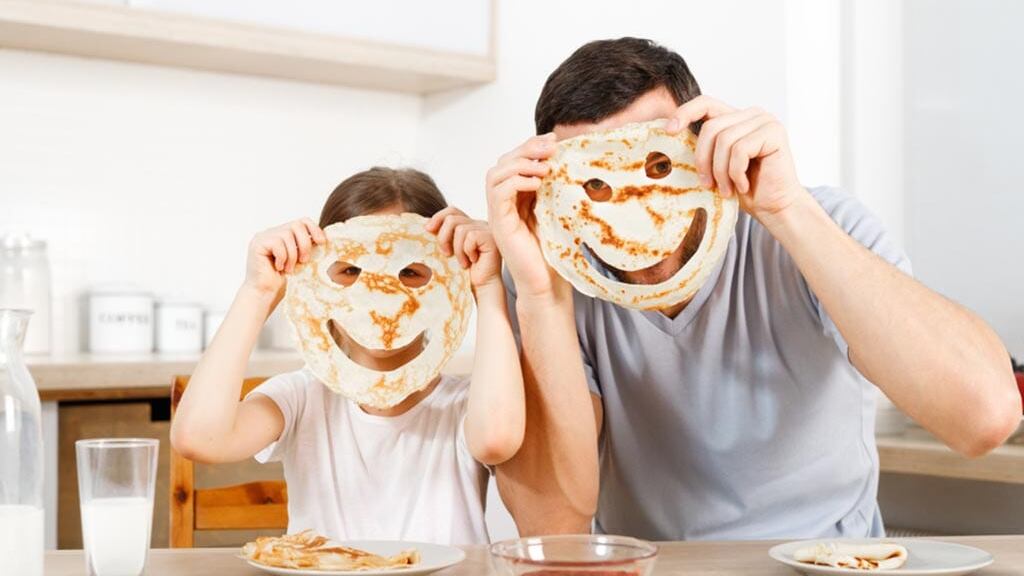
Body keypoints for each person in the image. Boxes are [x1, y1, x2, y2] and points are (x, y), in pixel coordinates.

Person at [487, 38, 1022, 540]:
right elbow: (552, 528)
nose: (632, 207)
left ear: (699, 146)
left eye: (655, 164)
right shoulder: (548, 274)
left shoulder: (821, 223)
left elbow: (984, 418)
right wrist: (539, 296)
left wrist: (787, 210)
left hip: (825, 562)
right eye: (597, 181)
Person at [171, 167, 525, 545]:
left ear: (446, 280)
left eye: (410, 271)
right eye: (351, 270)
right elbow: (198, 438)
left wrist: (488, 286)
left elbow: (496, 439)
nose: (381, 296)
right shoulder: (301, 399)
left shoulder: (465, 405)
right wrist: (257, 292)